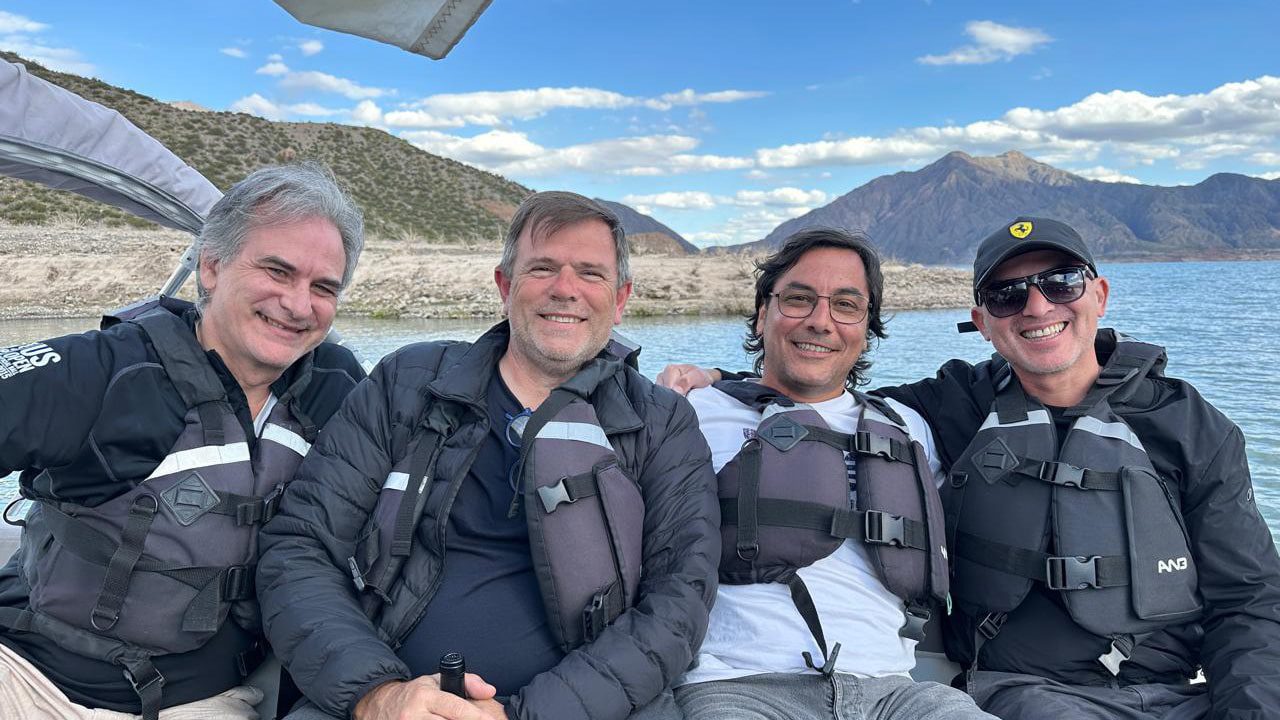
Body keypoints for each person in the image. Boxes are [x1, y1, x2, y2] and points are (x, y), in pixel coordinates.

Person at [661, 217, 1280, 719]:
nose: (1036, 306)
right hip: (1029, 695)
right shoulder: (952, 407)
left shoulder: (1191, 426)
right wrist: (718, 381)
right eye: (1007, 295)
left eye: (1061, 282)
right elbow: (814, 388)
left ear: (1099, 294)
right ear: (982, 323)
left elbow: (1249, 597)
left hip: (1182, 693)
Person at [257, 191, 720, 720]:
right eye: (542, 268)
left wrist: (521, 714)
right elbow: (300, 549)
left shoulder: (660, 423)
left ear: (620, 300)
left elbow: (678, 603)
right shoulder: (406, 384)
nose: (565, 289)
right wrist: (377, 693)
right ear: (505, 286)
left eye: (591, 274)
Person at [0, 162, 367, 720]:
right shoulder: (105, 371)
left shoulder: (337, 388)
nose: (298, 305)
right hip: (32, 683)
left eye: (323, 288)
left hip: (208, 701)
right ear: (212, 266)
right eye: (277, 271)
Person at [670, 228, 995, 720]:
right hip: (737, 687)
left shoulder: (908, 427)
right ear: (762, 314)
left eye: (845, 305)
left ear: (867, 327)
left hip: (894, 693)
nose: (821, 322)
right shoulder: (690, 413)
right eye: (798, 299)